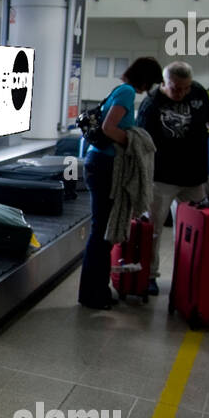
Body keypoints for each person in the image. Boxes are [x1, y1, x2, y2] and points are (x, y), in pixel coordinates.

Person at [137, 61, 209, 292]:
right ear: (164, 83)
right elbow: (140, 143)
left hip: (193, 176)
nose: (181, 93)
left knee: (196, 228)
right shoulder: (151, 103)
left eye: (185, 88)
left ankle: (190, 274)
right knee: (153, 229)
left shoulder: (199, 92)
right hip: (160, 177)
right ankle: (150, 275)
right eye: (176, 89)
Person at [77, 56, 163, 309]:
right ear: (145, 78)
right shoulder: (126, 91)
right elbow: (108, 127)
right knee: (101, 232)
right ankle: (93, 295)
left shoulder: (120, 90)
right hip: (106, 167)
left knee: (101, 231)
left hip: (100, 165)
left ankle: (95, 291)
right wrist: (133, 144)